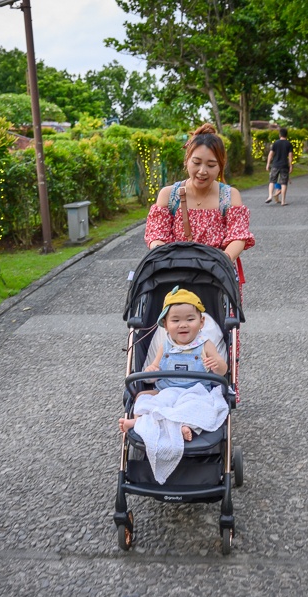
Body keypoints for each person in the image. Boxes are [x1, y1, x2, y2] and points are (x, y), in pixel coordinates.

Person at [144, 123, 255, 398]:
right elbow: (156, 236)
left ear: (221, 167)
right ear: (187, 160)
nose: (202, 171)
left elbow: (238, 237)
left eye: (211, 165)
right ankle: (161, 380)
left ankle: (220, 383)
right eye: (197, 162)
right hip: (172, 275)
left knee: (221, 327)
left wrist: (219, 261)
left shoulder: (230, 196)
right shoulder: (169, 195)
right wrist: (165, 256)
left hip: (217, 275)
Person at [119, 288, 227, 442]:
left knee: (201, 407)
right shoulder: (165, 346)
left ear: (201, 322)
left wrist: (217, 365)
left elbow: (223, 371)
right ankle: (140, 422)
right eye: (175, 321)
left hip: (195, 392)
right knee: (142, 397)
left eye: (190, 320)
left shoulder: (205, 345)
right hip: (167, 391)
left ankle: (183, 425)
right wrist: (152, 370)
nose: (183, 325)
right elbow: (154, 370)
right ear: (165, 324)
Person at [266, 128, 293, 206]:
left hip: (275, 165)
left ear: (279, 135)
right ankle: (283, 201)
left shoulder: (275, 143)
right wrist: (290, 165)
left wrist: (268, 163)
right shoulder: (289, 144)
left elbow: (270, 154)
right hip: (284, 166)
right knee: (284, 183)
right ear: (286, 135)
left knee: (272, 181)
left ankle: (270, 195)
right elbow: (290, 155)